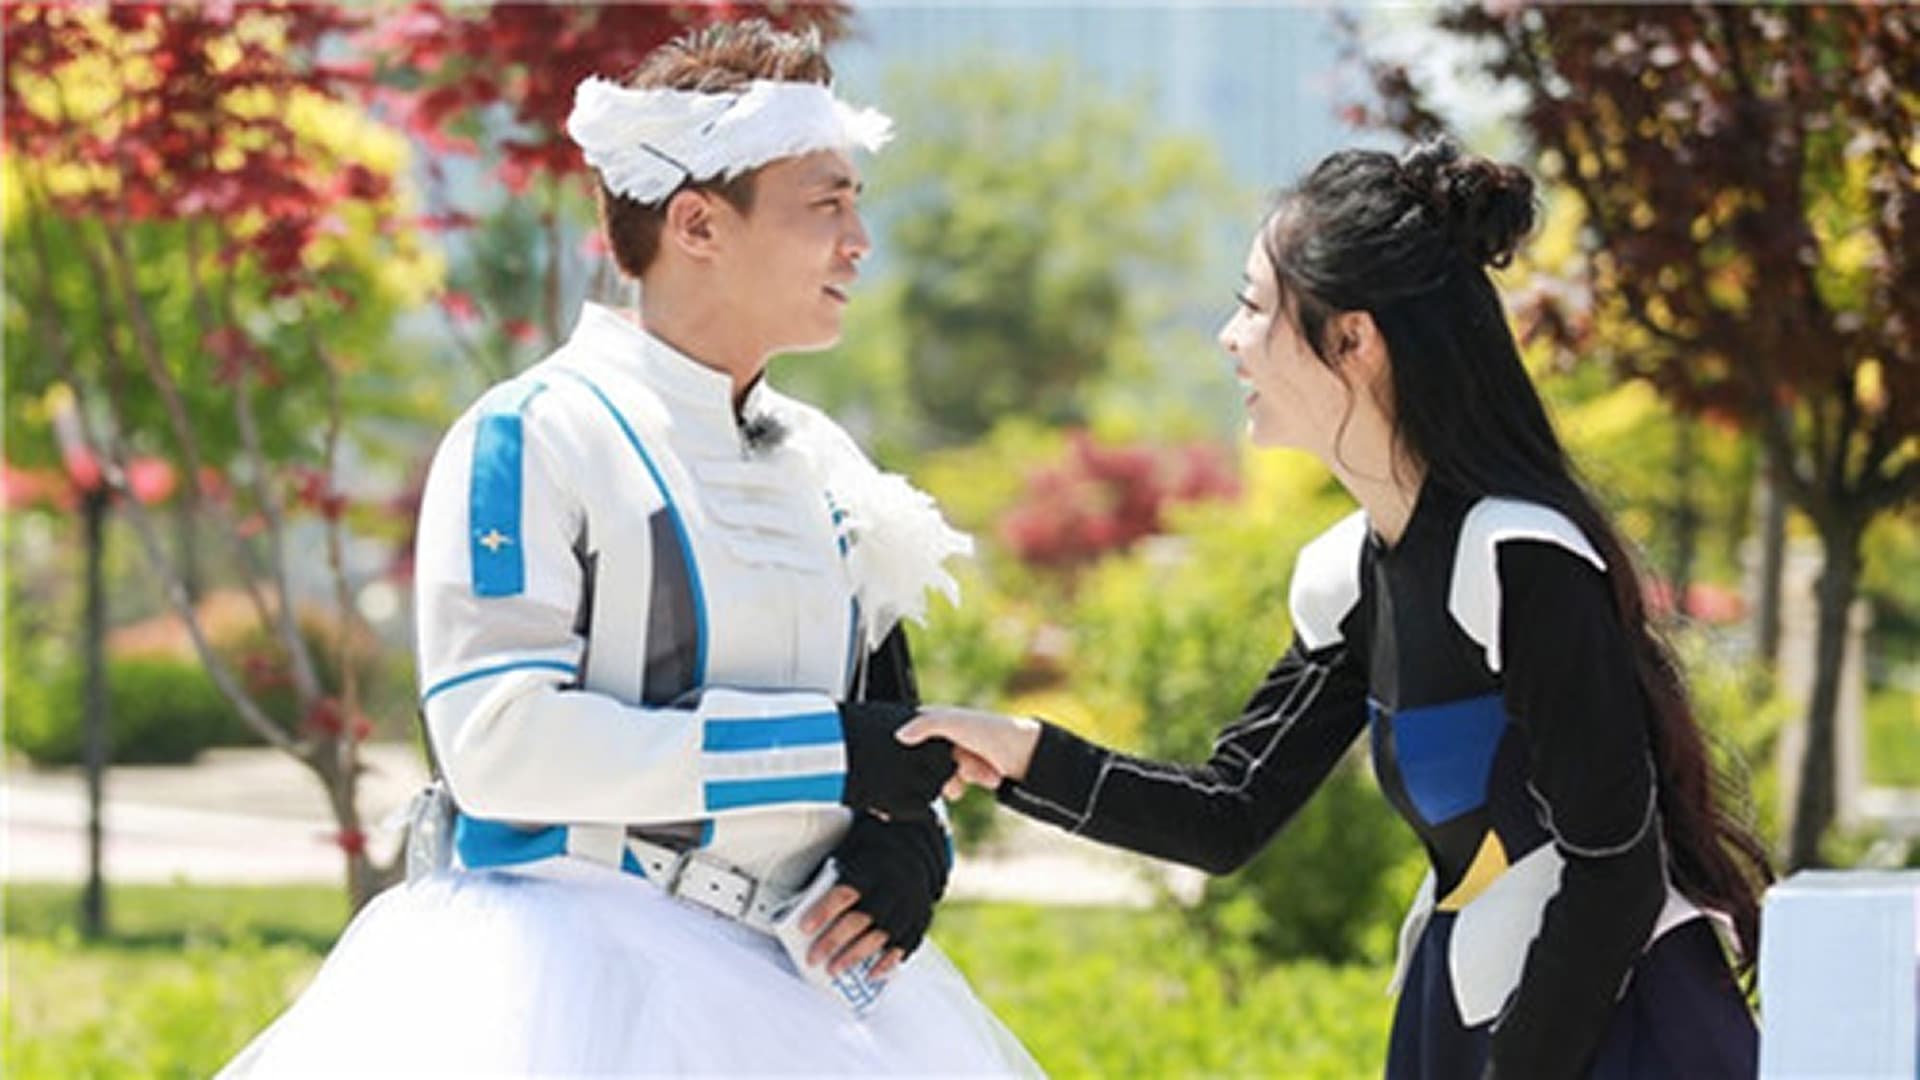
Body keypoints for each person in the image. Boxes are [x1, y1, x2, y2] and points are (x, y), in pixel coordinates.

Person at [223, 20, 1034, 1076]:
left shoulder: (828, 459)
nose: (859, 241)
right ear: (696, 224)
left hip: (804, 1002)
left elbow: (885, 718)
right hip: (565, 983)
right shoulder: (535, 435)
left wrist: (908, 838)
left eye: (856, 203)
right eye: (826, 205)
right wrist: (830, 754)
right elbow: (498, 746)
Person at [904, 140, 1769, 1079]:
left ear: (1353, 339)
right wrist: (1021, 753)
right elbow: (1229, 811)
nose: (1229, 338)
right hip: (1480, 1009)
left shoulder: (1520, 557)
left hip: (1617, 1030)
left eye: (1253, 306)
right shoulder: (1351, 574)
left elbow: (1614, 870)